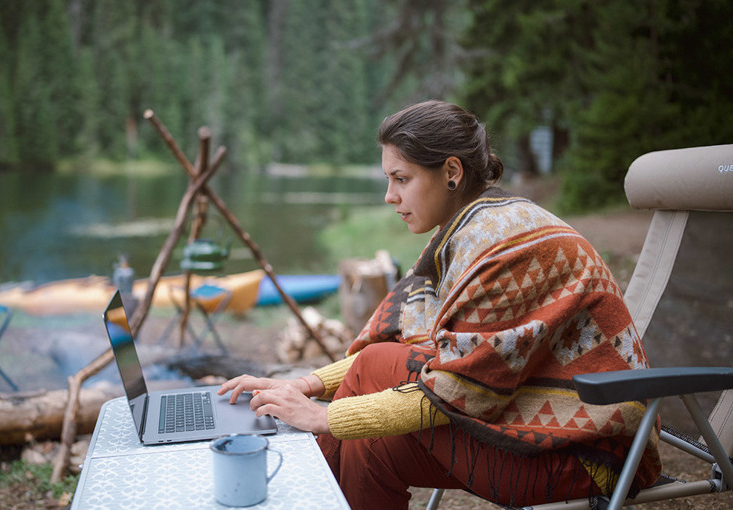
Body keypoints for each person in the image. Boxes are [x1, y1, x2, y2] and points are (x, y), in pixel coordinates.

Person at [219, 100, 662, 509]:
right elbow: (431, 347)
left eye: (401, 179)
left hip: (588, 453)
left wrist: (322, 415)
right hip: (537, 428)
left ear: (451, 170)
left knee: (375, 367)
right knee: (372, 446)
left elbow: (459, 391)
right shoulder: (470, 233)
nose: (390, 197)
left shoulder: (504, 246)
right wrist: (308, 385)